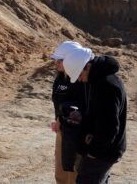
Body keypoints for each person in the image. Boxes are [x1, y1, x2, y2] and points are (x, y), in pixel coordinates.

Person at [62, 47, 127, 184]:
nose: (80, 80)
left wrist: (93, 153)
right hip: (103, 149)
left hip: (103, 152)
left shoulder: (106, 86)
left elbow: (109, 127)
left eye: (79, 75)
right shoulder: (99, 80)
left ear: (88, 66)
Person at [49, 41, 86, 184]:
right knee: (61, 170)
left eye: (60, 60)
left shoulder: (81, 79)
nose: (56, 63)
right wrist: (59, 119)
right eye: (56, 60)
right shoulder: (60, 77)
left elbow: (82, 107)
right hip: (62, 129)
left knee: (74, 171)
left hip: (76, 132)